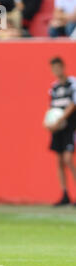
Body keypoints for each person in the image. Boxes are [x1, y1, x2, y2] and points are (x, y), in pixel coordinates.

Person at [45, 57, 76, 206]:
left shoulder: (72, 83)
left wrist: (61, 119)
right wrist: (49, 122)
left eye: (58, 67)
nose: (56, 71)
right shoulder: (54, 87)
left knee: (68, 159)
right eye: (54, 68)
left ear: (63, 67)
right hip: (57, 129)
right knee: (59, 161)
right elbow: (51, 108)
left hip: (69, 127)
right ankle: (65, 194)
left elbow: (73, 104)